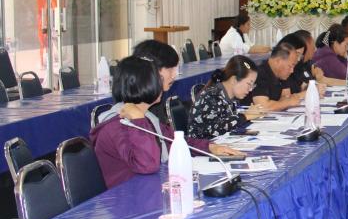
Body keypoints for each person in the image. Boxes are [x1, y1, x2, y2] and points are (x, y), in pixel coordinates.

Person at [90, 56, 242, 189]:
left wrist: (210, 147)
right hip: (129, 199)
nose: (161, 84)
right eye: (157, 79)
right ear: (143, 84)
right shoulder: (118, 126)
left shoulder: (147, 117)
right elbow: (148, 165)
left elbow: (174, 141)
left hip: (150, 188)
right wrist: (138, 121)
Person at [187, 56, 265, 139]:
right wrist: (245, 116)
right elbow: (215, 130)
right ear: (234, 80)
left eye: (253, 85)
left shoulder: (231, 98)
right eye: (249, 84)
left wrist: (248, 115)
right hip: (203, 145)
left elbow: (229, 124)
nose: (250, 89)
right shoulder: (211, 97)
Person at [242, 45, 303, 111]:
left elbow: (286, 97)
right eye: (290, 66)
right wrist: (288, 103)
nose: (292, 71)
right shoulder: (260, 74)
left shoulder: (282, 74)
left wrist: (284, 102)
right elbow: (262, 107)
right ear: (278, 61)